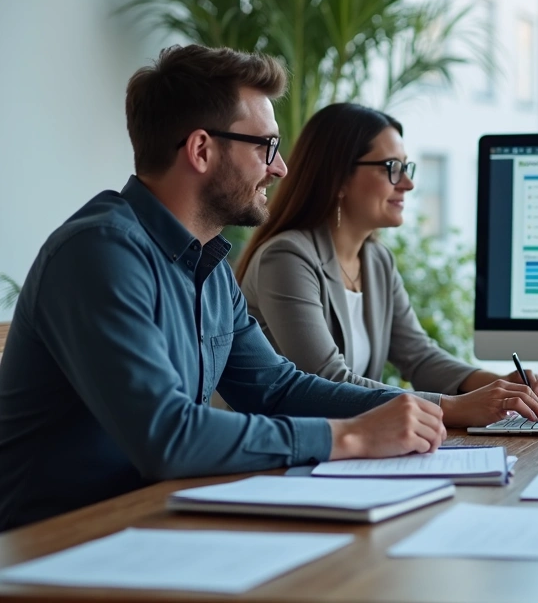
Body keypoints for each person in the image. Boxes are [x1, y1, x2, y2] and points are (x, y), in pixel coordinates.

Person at [0, 45, 447, 532]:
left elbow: (276, 389)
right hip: (56, 546)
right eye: (266, 147)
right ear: (201, 150)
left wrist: (413, 410)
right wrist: (354, 439)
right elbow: (167, 437)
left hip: (160, 525)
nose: (280, 169)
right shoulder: (99, 253)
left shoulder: (209, 264)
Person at [235, 103, 538, 428]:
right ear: (339, 178)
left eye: (406, 168)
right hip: (281, 455)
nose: (408, 184)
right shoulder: (286, 257)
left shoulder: (376, 261)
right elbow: (326, 381)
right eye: (391, 168)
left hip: (344, 453)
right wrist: (451, 407)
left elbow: (418, 356)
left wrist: (494, 383)